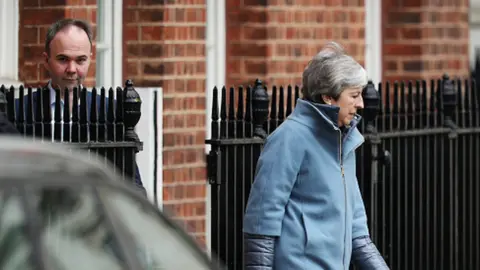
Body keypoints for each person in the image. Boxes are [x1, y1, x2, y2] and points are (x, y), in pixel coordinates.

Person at [242, 41, 389, 270]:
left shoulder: (345, 141)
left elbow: (357, 231)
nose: (360, 104)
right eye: (354, 95)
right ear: (328, 97)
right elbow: (262, 222)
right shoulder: (289, 138)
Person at [15, 18, 146, 195]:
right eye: (63, 59)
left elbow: (132, 186)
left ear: (90, 59)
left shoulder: (110, 111)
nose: (72, 69)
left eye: (80, 60)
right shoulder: (17, 111)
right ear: (46, 60)